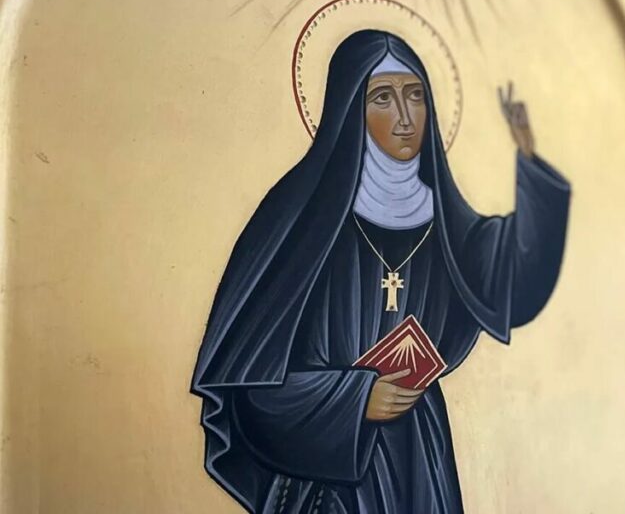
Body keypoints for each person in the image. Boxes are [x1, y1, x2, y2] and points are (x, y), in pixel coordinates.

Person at [190, 30, 571, 513]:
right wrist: (354, 399)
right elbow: (252, 389)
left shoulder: (447, 226)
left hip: (419, 458)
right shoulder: (298, 221)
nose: (406, 118)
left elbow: (515, 279)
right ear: (351, 108)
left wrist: (532, 167)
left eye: (416, 95)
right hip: (329, 473)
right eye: (383, 98)